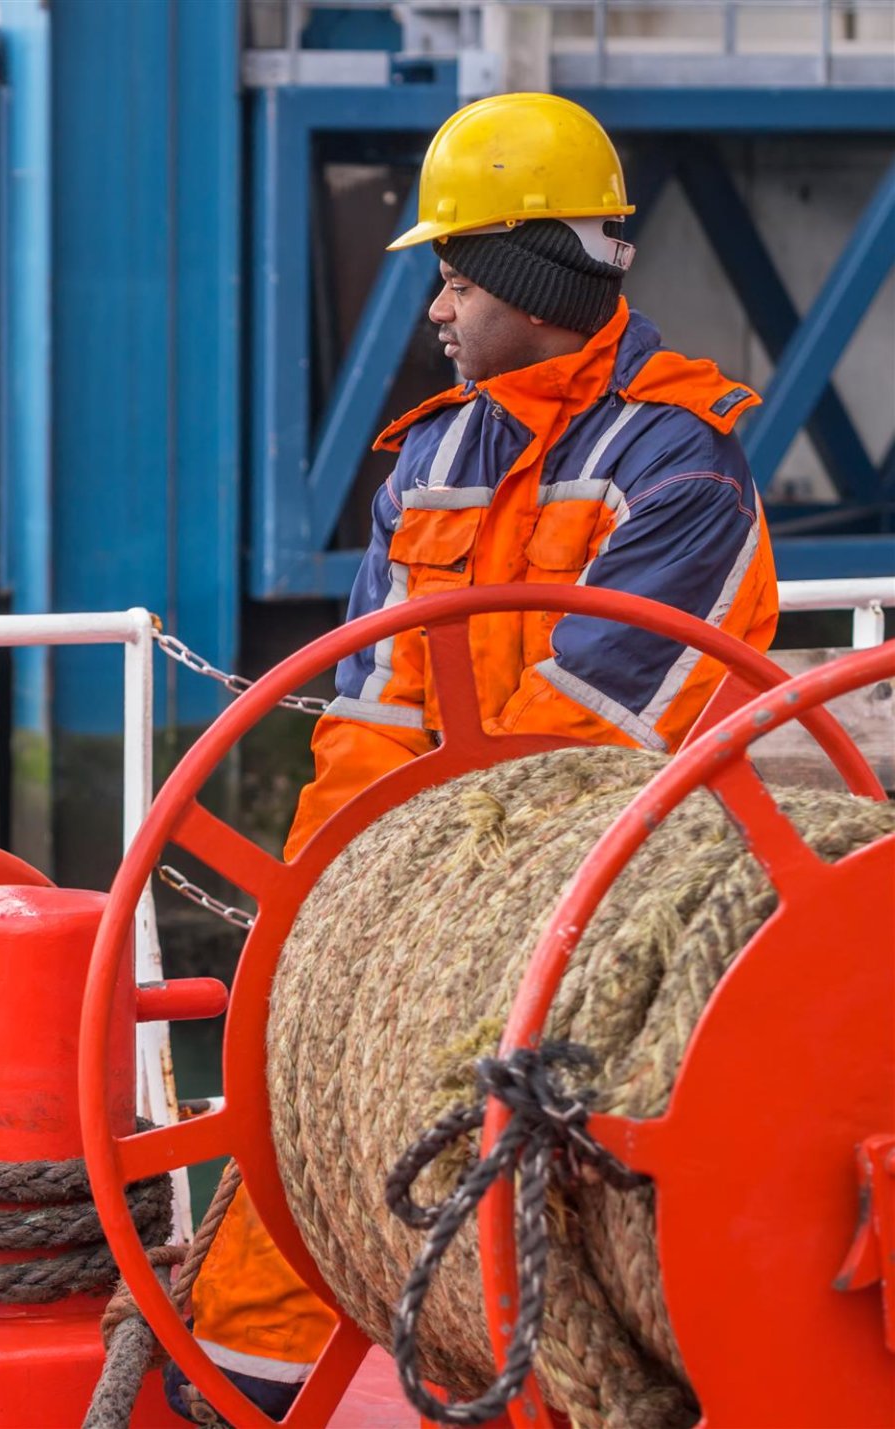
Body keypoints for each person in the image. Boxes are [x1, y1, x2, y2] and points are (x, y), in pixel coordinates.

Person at [170, 94, 777, 1420]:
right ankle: (254, 1384)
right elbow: (371, 708)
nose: (435, 311)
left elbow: (588, 750)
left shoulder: (683, 469)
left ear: (526, 272)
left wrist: (431, 924)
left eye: (453, 277)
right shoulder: (429, 458)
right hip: (423, 904)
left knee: (517, 1181)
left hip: (600, 924)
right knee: (301, 1113)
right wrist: (322, 919)